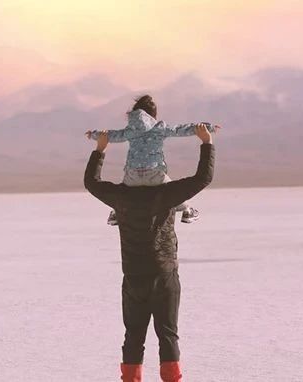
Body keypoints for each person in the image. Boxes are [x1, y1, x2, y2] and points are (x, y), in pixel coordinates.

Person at [84, 124, 215, 382]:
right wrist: (206, 142)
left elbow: (91, 182)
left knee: (133, 336)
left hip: (134, 277)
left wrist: (100, 149)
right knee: (168, 334)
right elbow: (203, 178)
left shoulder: (120, 196)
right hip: (164, 273)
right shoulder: (166, 194)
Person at [85, 95, 219, 225]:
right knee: (174, 192)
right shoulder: (159, 128)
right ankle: (187, 211)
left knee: (121, 194)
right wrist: (208, 127)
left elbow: (111, 135)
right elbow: (180, 130)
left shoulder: (130, 131)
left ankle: (115, 213)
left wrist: (94, 135)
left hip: (132, 176)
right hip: (154, 175)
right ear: (153, 115)